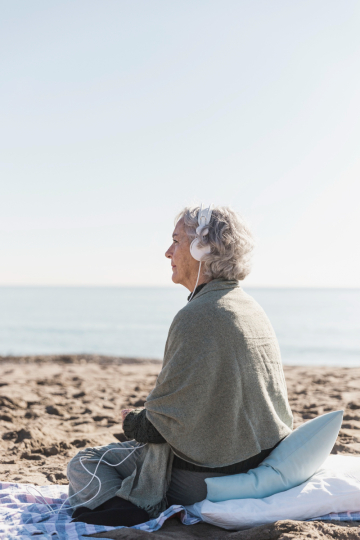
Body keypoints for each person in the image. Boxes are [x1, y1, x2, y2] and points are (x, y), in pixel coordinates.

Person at [67, 204, 293, 526]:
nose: (167, 252)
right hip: (256, 459)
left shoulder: (198, 316)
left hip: (204, 475)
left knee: (85, 462)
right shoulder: (251, 307)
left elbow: (158, 427)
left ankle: (127, 510)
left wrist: (131, 421)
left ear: (203, 249)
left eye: (176, 241)